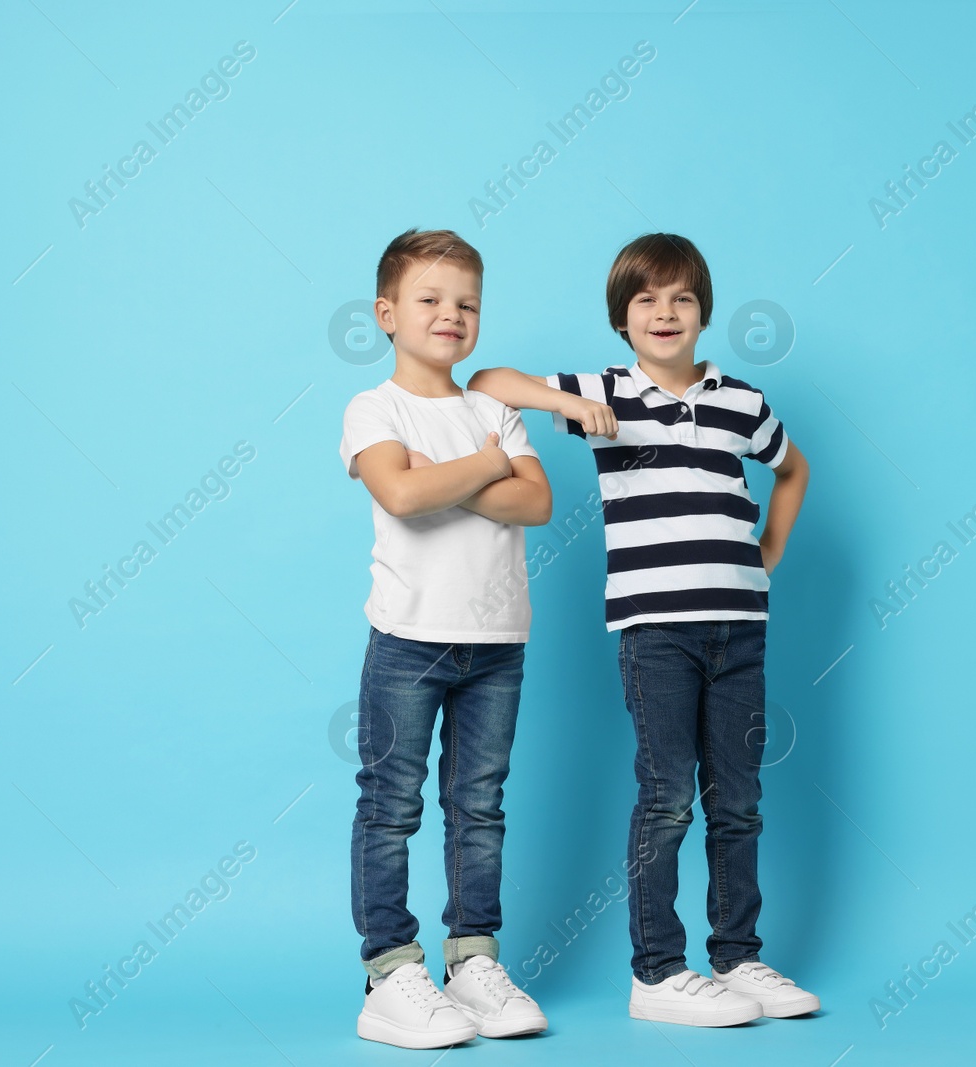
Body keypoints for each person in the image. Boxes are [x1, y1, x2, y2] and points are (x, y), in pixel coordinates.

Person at [467, 232, 819, 1026]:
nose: (666, 312)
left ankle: (738, 956)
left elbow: (792, 468)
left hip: (740, 627)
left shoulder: (741, 400)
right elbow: (488, 380)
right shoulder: (609, 395)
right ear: (622, 320)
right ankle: (658, 970)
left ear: (704, 312)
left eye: (682, 298)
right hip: (655, 631)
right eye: (646, 300)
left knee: (739, 799)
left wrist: (769, 550)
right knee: (666, 797)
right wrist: (566, 404)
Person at [339, 228, 552, 1048]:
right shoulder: (373, 408)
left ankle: (474, 961)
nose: (450, 315)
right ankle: (391, 971)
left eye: (466, 303)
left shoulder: (492, 408)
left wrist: (449, 474)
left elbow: (535, 503)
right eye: (429, 299)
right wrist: (484, 467)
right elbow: (399, 493)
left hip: (498, 641)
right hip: (407, 640)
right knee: (390, 807)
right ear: (387, 313)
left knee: (479, 807)